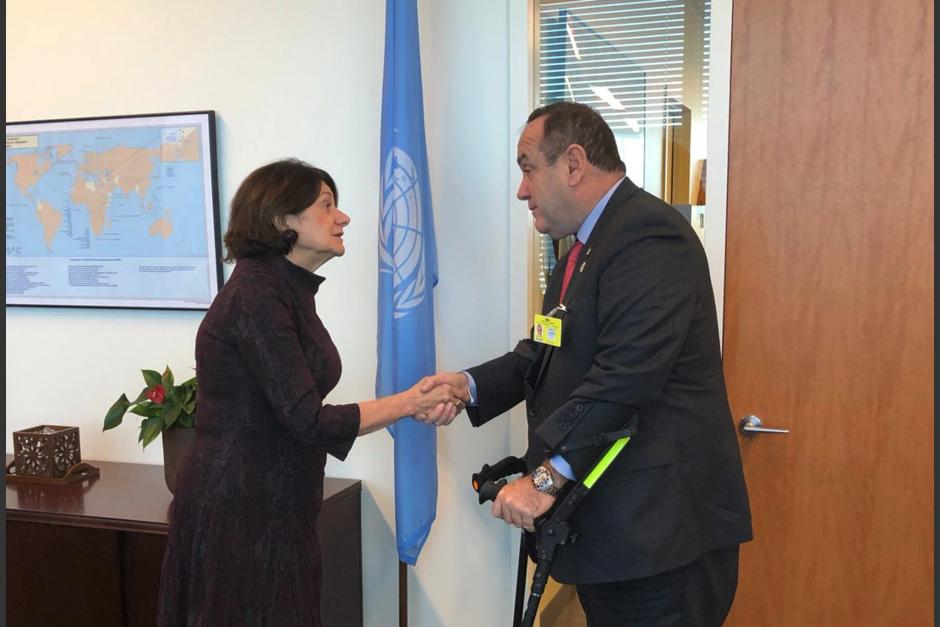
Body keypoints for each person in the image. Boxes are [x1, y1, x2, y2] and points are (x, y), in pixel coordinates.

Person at [423, 102, 752, 626]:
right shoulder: (582, 249)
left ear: (573, 164)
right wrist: (467, 386)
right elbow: (544, 350)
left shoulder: (647, 236)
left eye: (528, 168)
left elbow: (626, 378)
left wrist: (543, 482)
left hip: (663, 541)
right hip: (617, 534)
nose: (521, 190)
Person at [157, 158, 460, 627]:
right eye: (326, 205)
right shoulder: (257, 295)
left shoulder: (284, 289)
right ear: (283, 220)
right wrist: (411, 402)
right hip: (241, 512)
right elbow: (308, 419)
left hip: (277, 505)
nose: (343, 217)